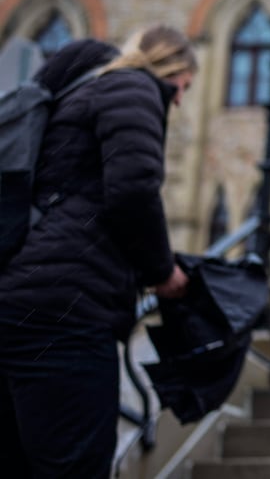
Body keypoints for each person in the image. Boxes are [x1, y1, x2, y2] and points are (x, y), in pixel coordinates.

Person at [0, 25, 196, 478]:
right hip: (65, 315)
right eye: (184, 87)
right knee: (76, 464)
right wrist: (162, 271)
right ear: (171, 69)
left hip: (18, 304)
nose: (181, 101)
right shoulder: (133, 86)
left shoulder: (76, 96)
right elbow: (132, 191)